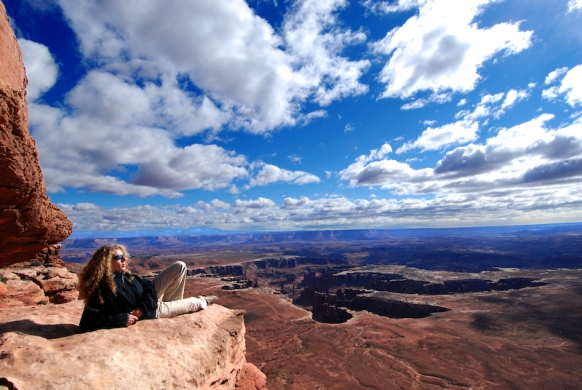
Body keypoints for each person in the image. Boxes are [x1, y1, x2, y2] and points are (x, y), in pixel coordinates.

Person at [78, 244, 217, 332]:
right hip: (151, 312)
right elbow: (87, 323)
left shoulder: (124, 276)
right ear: (106, 262)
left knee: (180, 266)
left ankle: (174, 306)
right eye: (119, 257)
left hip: (146, 305)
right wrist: (122, 319)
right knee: (194, 303)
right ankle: (201, 301)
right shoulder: (102, 289)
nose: (125, 260)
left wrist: (143, 306)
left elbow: (149, 286)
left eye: (124, 256)